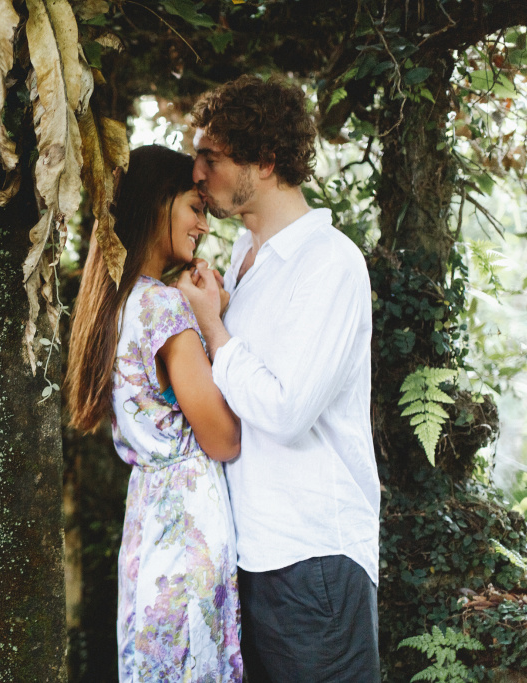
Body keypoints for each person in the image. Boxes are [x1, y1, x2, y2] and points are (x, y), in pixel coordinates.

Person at [177, 75, 380, 681]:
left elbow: (287, 411)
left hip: (313, 559)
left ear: (265, 162)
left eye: (211, 158)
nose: (197, 173)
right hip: (252, 553)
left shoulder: (329, 263)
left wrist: (215, 329)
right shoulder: (245, 256)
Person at [66, 145, 243, 682]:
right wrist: (211, 323)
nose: (203, 226)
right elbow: (224, 439)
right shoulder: (164, 307)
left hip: (147, 524)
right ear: (159, 203)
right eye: (195, 208)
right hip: (188, 527)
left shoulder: (115, 305)